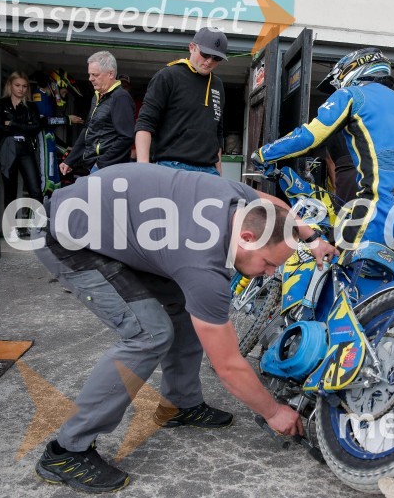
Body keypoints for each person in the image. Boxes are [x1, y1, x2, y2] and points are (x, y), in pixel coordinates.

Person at [33, 163, 336, 493]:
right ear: (248, 238)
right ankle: (67, 451)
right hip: (66, 237)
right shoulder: (202, 262)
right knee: (149, 333)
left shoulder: (237, 201)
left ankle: (179, 404)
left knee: (185, 305)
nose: (269, 273)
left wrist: (313, 237)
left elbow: (274, 204)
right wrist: (274, 411)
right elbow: (229, 366)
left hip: (110, 222)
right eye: (269, 263)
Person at [253, 47, 394, 278]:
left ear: (351, 70)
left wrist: (265, 154)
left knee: (346, 271)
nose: (338, 86)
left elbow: (310, 136)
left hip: (383, 202)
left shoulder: (352, 95)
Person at [135, 27, 227, 175]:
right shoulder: (167, 76)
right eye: (205, 54)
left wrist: (219, 172)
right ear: (192, 47)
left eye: (217, 58)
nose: (209, 61)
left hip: (209, 171)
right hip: (172, 167)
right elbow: (145, 123)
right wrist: (143, 169)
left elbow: (217, 132)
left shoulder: (217, 84)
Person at [61, 51, 135, 175]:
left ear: (110, 74)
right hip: (93, 166)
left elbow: (126, 137)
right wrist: (70, 160)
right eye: (90, 74)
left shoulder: (121, 97)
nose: (90, 79)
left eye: (95, 75)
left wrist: (101, 164)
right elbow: (88, 130)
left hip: (108, 170)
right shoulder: (97, 96)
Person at [0, 71, 43, 236]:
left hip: (26, 149)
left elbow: (35, 128)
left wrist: (12, 123)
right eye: (17, 85)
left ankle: (36, 225)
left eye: (24, 86)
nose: (21, 89)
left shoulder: (31, 106)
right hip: (8, 148)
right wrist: (23, 125)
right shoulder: (1, 103)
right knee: (10, 189)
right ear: (10, 85)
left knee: (35, 188)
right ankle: (11, 228)